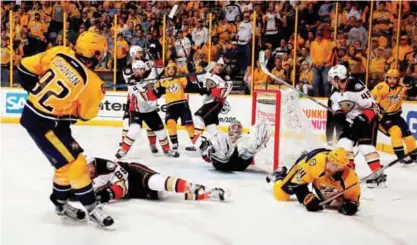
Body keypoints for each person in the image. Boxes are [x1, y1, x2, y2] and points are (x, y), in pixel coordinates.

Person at [18, 31, 114, 228]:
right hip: (46, 124)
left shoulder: (60, 53)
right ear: (94, 53)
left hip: (39, 116)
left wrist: (34, 92)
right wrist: (98, 95)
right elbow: (86, 115)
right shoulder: (93, 83)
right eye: (100, 52)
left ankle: (60, 204)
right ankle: (91, 207)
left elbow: (25, 66)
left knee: (63, 166)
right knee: (76, 162)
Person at [328, 65, 385, 188]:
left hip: (367, 120)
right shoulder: (334, 92)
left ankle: (379, 176)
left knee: (365, 147)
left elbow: (374, 107)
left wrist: (363, 118)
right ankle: (350, 175)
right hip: (351, 121)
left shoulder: (356, 87)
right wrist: (338, 114)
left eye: (332, 78)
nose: (330, 81)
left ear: (338, 78)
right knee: (343, 145)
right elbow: (338, 110)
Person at [86, 157, 228, 202]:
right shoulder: (81, 181)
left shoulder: (105, 165)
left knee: (157, 182)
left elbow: (121, 188)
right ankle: (209, 194)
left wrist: (106, 195)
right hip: (133, 192)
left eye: (90, 166)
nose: (90, 170)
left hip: (133, 174)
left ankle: (194, 187)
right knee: (167, 196)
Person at [268, 148, 360, 216]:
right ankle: (280, 174)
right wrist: (307, 198)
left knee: (331, 201)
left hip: (320, 177)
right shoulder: (315, 163)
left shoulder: (350, 177)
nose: (329, 166)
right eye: (329, 161)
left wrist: (350, 206)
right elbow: (297, 184)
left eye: (335, 165)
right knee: (281, 194)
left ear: (342, 167)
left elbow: (353, 200)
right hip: (307, 163)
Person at [116, 60, 178, 159]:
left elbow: (160, 66)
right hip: (137, 111)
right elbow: (144, 96)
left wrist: (157, 56)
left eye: (142, 69)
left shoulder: (150, 75)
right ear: (134, 70)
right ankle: (123, 150)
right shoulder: (132, 83)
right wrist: (159, 92)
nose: (141, 71)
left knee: (161, 132)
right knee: (134, 131)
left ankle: (167, 150)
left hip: (151, 110)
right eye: (138, 69)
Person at [371, 69, 417, 164]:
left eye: (394, 78)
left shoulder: (401, 87)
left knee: (409, 138)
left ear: (398, 79)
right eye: (390, 78)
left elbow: (412, 90)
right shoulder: (381, 87)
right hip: (384, 118)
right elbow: (372, 102)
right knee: (396, 132)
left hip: (397, 116)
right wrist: (378, 111)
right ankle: (401, 157)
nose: (392, 81)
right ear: (386, 78)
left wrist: (413, 83)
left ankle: (414, 156)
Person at [157, 61, 197, 155]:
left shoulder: (180, 77)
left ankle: (195, 143)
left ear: (176, 70)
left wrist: (188, 72)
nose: (171, 71)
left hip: (182, 104)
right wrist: (157, 83)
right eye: (169, 69)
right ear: (166, 70)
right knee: (170, 123)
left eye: (173, 69)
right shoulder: (163, 80)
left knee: (189, 125)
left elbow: (189, 85)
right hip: (171, 106)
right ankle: (174, 144)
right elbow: (157, 91)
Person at [200, 120, 271, 172]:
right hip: (222, 164)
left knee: (251, 146)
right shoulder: (224, 137)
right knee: (220, 138)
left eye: (239, 127)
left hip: (239, 164)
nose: (236, 128)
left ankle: (255, 145)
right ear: (229, 129)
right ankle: (221, 153)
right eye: (234, 126)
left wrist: (256, 143)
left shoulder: (244, 138)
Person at [193, 57, 233, 145]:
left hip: (216, 103)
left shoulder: (225, 77)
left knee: (198, 117)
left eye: (221, 66)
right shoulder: (206, 74)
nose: (219, 67)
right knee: (211, 127)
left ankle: (195, 142)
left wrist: (209, 90)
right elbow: (194, 80)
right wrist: (191, 69)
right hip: (208, 102)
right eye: (217, 65)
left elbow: (226, 90)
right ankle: (223, 143)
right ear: (213, 65)